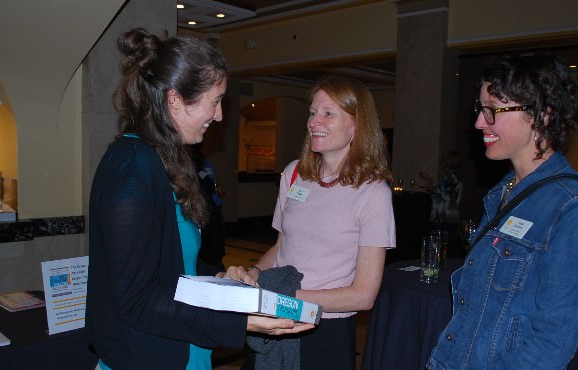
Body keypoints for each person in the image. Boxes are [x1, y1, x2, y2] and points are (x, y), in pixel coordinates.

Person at [86, 28, 313, 370]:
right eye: (216, 99)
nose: (220, 115)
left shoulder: (166, 160)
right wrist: (241, 322)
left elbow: (176, 267)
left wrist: (220, 282)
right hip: (147, 358)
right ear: (175, 100)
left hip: (183, 351)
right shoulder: (132, 168)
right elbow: (135, 301)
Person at [427, 51, 578, 370]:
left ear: (543, 115)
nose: (479, 122)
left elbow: (552, 343)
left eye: (493, 110)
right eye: (480, 109)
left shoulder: (573, 207)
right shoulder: (502, 192)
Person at [245, 75, 396, 370]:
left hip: (324, 329)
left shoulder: (373, 192)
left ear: (357, 125)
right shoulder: (293, 173)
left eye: (328, 113)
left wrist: (284, 299)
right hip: (275, 319)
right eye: (313, 113)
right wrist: (251, 274)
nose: (314, 121)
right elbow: (281, 246)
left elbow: (364, 295)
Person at [189, 143, 226, 276]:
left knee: (214, 245)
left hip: (212, 207)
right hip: (202, 208)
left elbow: (213, 182)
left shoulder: (204, 161)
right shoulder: (190, 164)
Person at [418, 150, 463, 224]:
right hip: (442, 219)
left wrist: (431, 188)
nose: (443, 165)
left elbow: (446, 196)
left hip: (447, 219)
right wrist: (428, 180)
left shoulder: (454, 180)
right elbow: (439, 189)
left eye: (445, 163)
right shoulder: (448, 178)